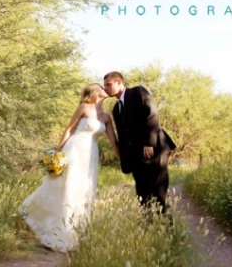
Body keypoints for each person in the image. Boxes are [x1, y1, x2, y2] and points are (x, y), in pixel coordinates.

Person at [20, 83, 120, 252]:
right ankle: (59, 232)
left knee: (85, 191)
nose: (104, 87)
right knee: (67, 189)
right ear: (94, 92)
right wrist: (57, 154)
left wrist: (123, 159)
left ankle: (75, 233)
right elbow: (69, 130)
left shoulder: (106, 117)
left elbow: (113, 141)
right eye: (100, 86)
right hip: (74, 150)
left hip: (91, 156)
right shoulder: (84, 107)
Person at [102, 71, 176, 214]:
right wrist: (125, 160)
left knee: (158, 191)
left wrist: (149, 143)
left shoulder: (137, 92)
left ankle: (166, 229)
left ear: (119, 82)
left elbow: (152, 114)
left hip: (156, 150)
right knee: (142, 193)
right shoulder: (116, 110)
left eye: (108, 84)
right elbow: (123, 137)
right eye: (104, 86)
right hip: (137, 157)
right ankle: (148, 227)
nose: (106, 88)